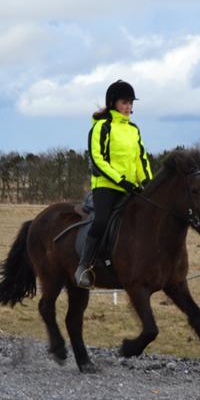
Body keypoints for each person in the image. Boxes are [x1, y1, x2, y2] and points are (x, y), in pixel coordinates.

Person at [75, 79, 153, 288]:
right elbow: (98, 159)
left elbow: (140, 159)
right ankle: (84, 266)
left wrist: (148, 183)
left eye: (130, 103)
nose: (128, 107)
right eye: (124, 102)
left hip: (130, 186)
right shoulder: (102, 127)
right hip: (106, 186)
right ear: (113, 103)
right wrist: (121, 181)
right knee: (101, 221)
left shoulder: (134, 129)